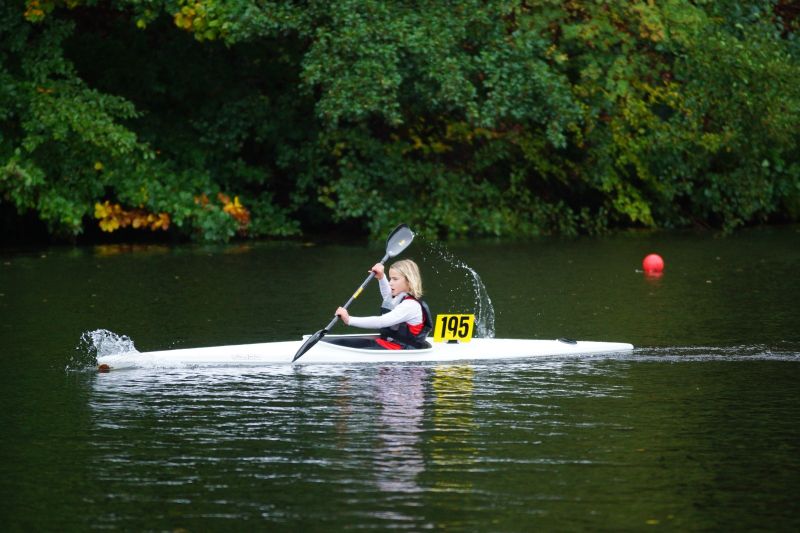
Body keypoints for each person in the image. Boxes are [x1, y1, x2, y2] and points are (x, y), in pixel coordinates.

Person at [336, 259, 433, 349]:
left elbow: (381, 321)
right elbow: (388, 297)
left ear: (409, 281)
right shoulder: (400, 297)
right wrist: (381, 277)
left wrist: (349, 320)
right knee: (339, 342)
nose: (390, 283)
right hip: (385, 345)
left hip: (398, 352)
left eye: (395, 279)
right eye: (390, 279)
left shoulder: (410, 306)